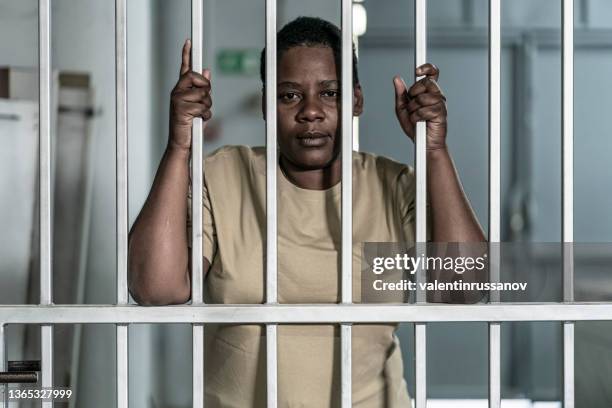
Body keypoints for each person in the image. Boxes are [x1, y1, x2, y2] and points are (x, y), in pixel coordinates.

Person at [128, 16, 485, 408]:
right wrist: (180, 145)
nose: (310, 112)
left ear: (357, 101)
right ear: (267, 105)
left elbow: (464, 289)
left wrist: (434, 150)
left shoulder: (392, 185)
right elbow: (155, 289)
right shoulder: (225, 175)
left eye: (330, 94)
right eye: (289, 96)